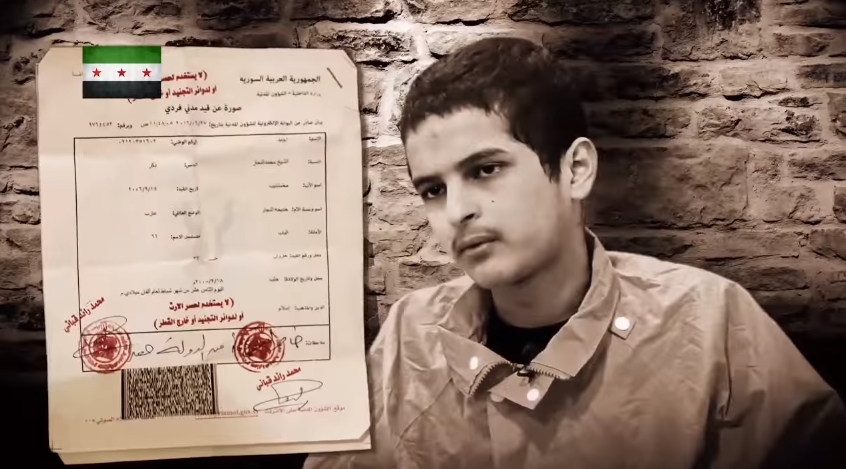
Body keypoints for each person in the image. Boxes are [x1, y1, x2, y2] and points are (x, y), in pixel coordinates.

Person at [303, 37, 846, 469]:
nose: (457, 211)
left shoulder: (710, 323)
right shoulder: (410, 336)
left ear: (576, 169)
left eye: (485, 169)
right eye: (433, 190)